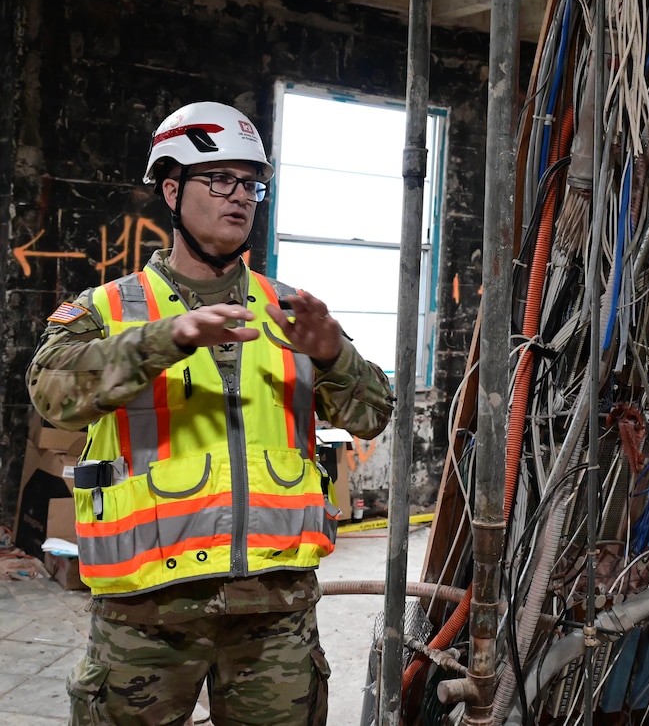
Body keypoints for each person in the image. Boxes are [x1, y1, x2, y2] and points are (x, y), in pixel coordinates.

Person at [26, 101, 395, 725]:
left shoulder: (290, 310)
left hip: (274, 612)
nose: (240, 196)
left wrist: (333, 356)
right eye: (219, 179)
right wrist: (166, 338)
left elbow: (372, 415)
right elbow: (53, 395)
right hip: (147, 612)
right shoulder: (112, 307)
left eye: (251, 183)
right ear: (171, 190)